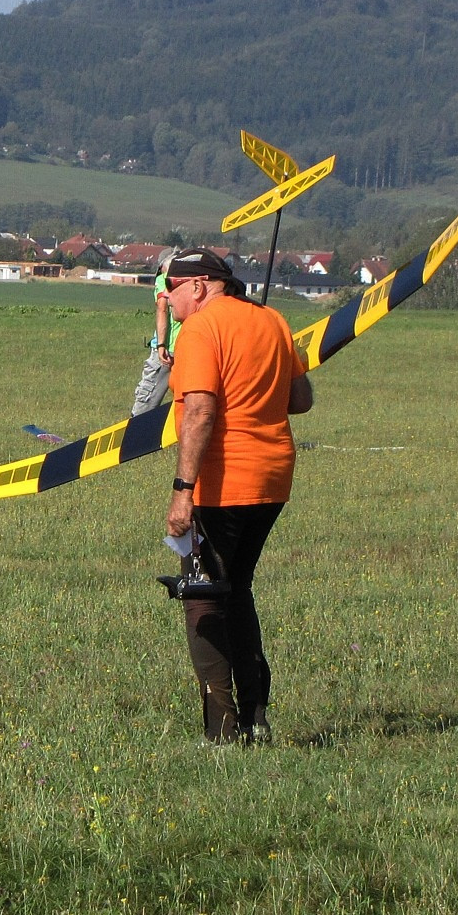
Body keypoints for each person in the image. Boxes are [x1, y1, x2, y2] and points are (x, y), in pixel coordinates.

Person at [159, 248, 313, 745]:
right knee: (237, 589)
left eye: (171, 288)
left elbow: (200, 412)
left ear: (199, 285)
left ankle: (222, 732)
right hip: (273, 479)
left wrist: (183, 491)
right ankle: (256, 716)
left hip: (223, 484)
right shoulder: (273, 320)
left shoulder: (200, 330)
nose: (167, 299)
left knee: (202, 599)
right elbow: (301, 399)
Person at [130, 247, 181, 415]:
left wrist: (160, 345)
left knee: (148, 395)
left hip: (168, 347)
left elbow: (162, 309)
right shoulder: (189, 282)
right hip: (187, 344)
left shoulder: (163, 280)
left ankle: (137, 426)